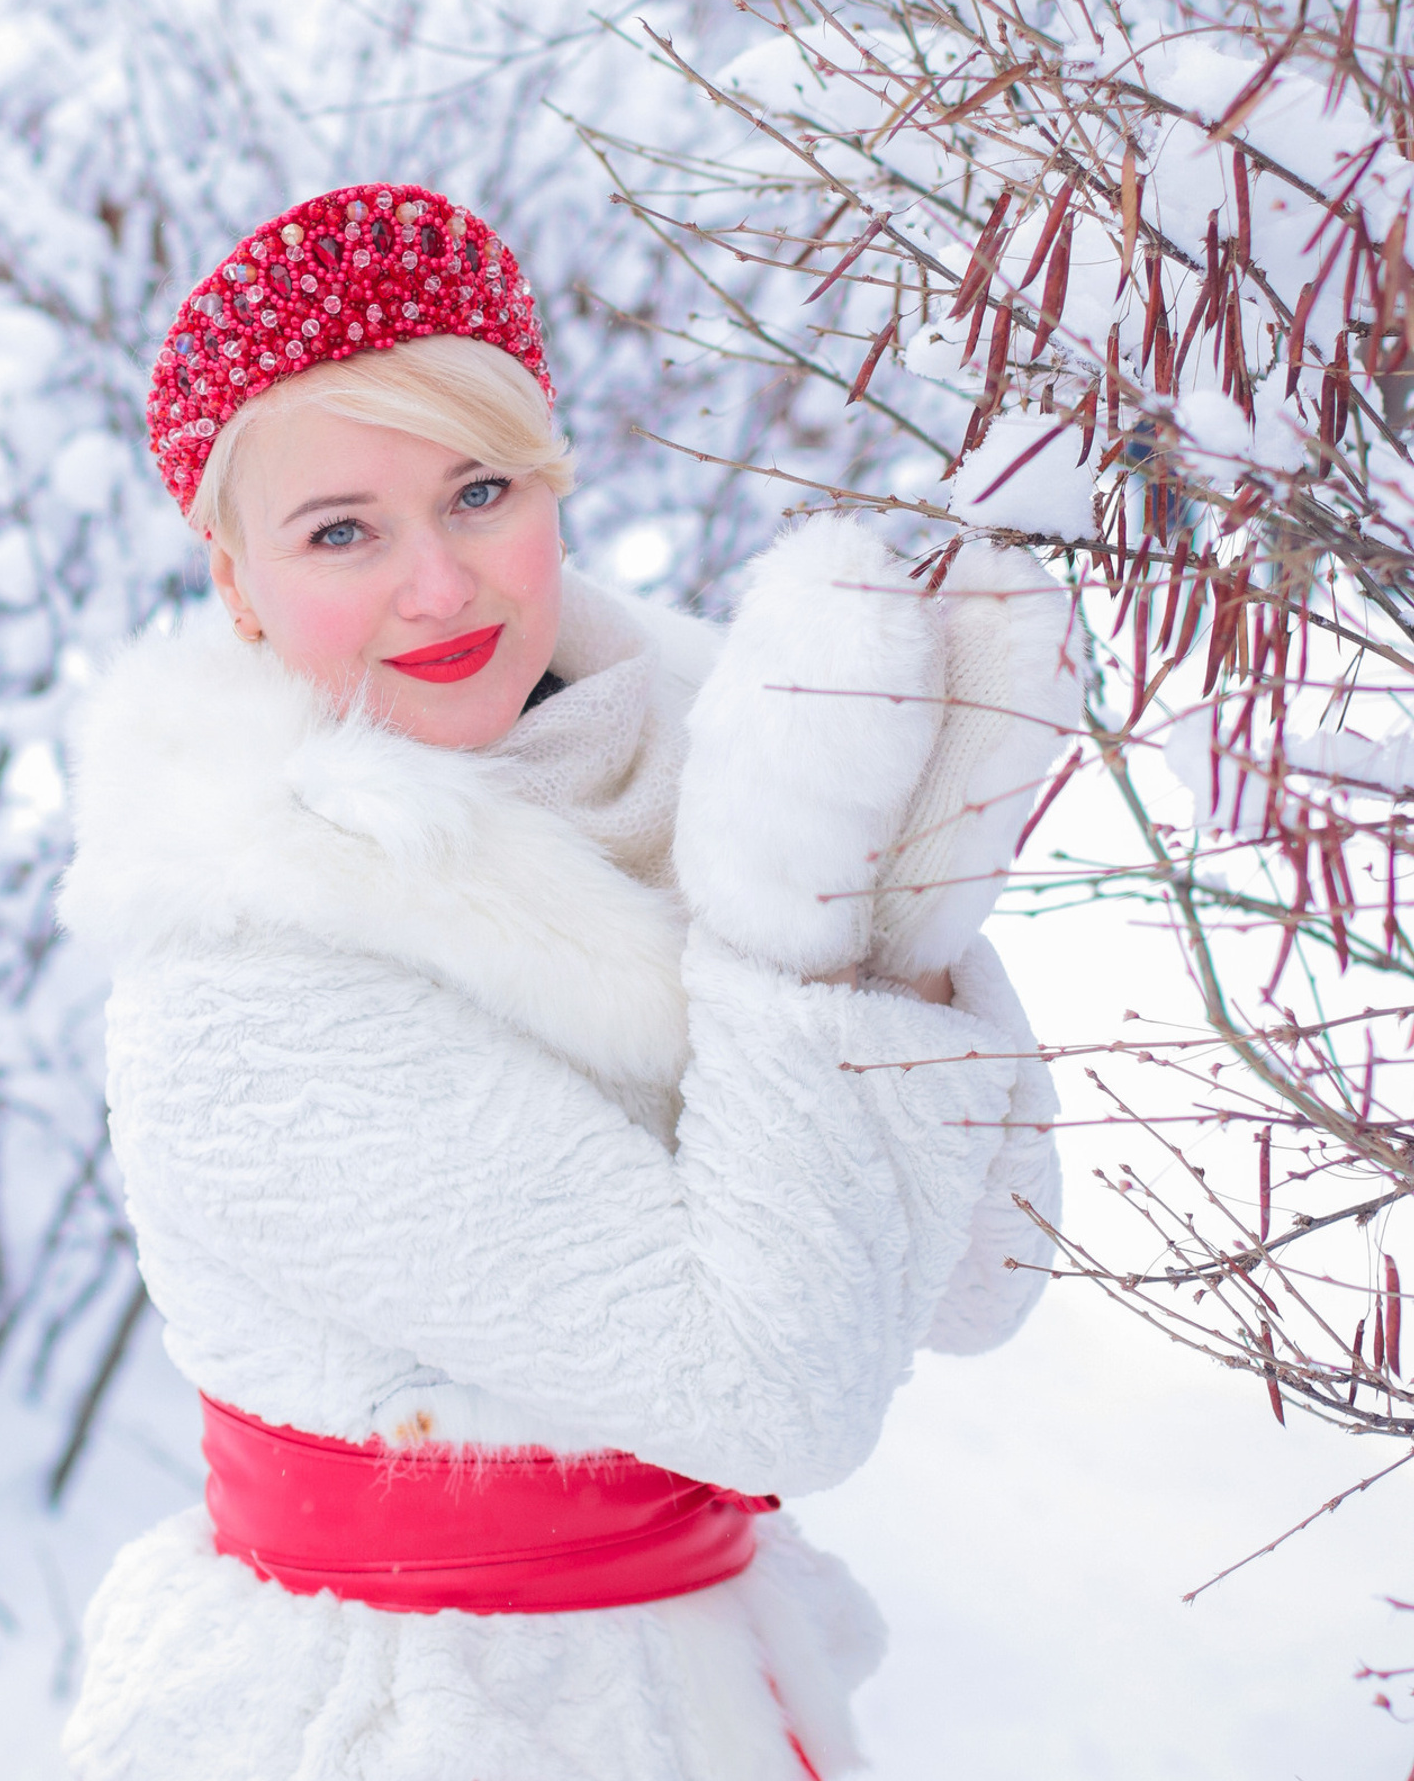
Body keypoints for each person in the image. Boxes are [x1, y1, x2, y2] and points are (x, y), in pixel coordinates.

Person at [57, 182, 1077, 1781]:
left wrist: (908, 895)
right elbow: (775, 1399)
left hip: (715, 1691)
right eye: (343, 532)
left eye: (478, 492)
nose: (443, 587)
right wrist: (799, 920)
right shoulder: (243, 982)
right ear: (237, 581)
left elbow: (983, 1282)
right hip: (413, 1723)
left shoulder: (715, 771)